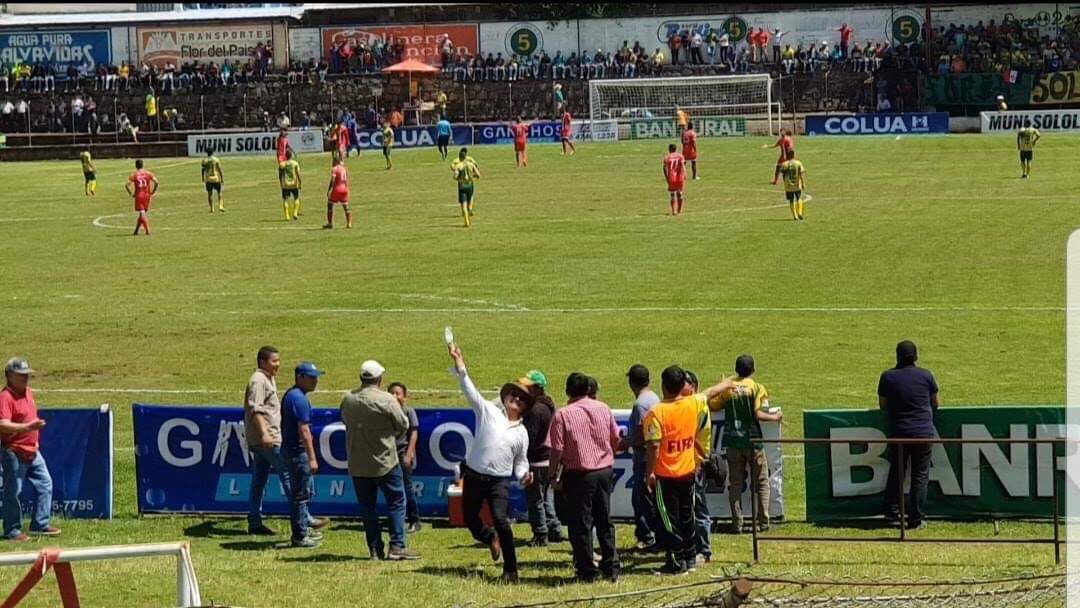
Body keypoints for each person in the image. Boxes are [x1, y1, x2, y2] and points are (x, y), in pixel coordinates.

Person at [446, 342, 533, 584]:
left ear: (525, 407)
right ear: (505, 398)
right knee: (471, 519)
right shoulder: (488, 412)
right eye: (513, 395)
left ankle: (511, 570)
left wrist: (524, 475)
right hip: (474, 475)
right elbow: (468, 388)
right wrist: (459, 361)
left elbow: (521, 462)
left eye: (521, 399)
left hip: (499, 481)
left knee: (501, 520)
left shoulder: (522, 432)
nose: (516, 399)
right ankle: (488, 537)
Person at [644, 366, 735, 575]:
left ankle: (676, 562)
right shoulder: (693, 403)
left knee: (669, 519)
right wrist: (726, 384)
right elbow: (709, 392)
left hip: (665, 475)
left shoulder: (656, 412)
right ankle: (690, 557)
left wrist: (649, 472)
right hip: (688, 472)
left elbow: (654, 446)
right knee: (687, 516)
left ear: (663, 386)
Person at [340, 360, 419, 560]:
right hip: (385, 460)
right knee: (396, 501)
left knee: (367, 507)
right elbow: (403, 424)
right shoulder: (386, 399)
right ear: (380, 379)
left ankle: (375, 549)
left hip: (358, 462)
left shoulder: (348, 398)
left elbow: (343, 418)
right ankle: (397, 546)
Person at [548, 372, 621, 583]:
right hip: (604, 470)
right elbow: (615, 438)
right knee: (604, 519)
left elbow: (556, 450)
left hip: (579, 474)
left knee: (581, 524)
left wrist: (553, 475)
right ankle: (611, 565)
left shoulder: (563, 415)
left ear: (568, 391)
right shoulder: (603, 408)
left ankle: (587, 569)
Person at [710, 355, 780, 533]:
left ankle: (737, 523)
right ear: (753, 370)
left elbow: (713, 406)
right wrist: (775, 417)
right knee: (762, 481)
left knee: (735, 483)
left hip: (733, 441)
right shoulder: (757, 387)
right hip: (753, 441)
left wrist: (720, 387)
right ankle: (763, 521)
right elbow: (758, 414)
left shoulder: (729, 389)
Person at [879, 341, 939, 530]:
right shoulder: (926, 375)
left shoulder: (887, 377)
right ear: (916, 357)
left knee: (897, 472)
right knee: (919, 476)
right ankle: (915, 519)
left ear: (897, 356)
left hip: (899, 433)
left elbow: (883, 405)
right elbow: (935, 403)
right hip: (923, 433)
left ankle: (891, 511)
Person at [0, 358, 60, 541]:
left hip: (32, 451)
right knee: (14, 491)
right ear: (10, 376)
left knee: (45, 484)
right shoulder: (5, 397)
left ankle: (40, 524)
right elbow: (2, 425)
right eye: (21, 375)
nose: (26, 378)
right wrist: (28, 428)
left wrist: (32, 434)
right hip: (14, 451)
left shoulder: (28, 392)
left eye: (27, 375)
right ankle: (12, 530)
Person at [243, 346, 291, 536]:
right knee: (288, 476)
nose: (278, 365)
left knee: (259, 480)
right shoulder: (258, 380)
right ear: (262, 362)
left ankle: (255, 521)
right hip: (268, 439)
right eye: (274, 361)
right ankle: (302, 521)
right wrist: (264, 433)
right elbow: (255, 409)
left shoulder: (267, 379)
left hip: (263, 439)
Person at [281, 361, 329, 548]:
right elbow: (304, 431)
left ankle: (303, 529)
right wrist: (312, 458)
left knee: (303, 492)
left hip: (293, 451)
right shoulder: (298, 399)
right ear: (299, 377)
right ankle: (300, 535)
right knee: (300, 495)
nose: (315, 381)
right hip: (297, 453)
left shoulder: (294, 396)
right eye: (311, 377)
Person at [521, 370, 564, 546]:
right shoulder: (548, 406)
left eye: (528, 386)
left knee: (535, 499)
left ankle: (540, 533)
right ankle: (554, 528)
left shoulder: (534, 410)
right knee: (546, 496)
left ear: (537, 388)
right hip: (548, 460)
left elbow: (529, 438)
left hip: (536, 461)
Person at [625, 364, 660, 551]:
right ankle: (651, 535)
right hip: (653, 456)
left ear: (631, 383)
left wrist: (624, 443)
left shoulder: (640, 404)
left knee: (641, 499)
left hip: (644, 458)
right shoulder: (654, 397)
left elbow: (640, 435)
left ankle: (647, 537)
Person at [683, 370, 711, 564]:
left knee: (698, 507)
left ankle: (704, 550)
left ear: (693, 387)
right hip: (687, 463)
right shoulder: (688, 405)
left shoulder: (697, 405)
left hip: (696, 462)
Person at [388, 382, 421, 533]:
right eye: (391, 393)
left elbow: (413, 433)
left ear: (404, 397)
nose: (395, 396)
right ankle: (396, 520)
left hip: (402, 455)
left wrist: (409, 453)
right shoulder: (385, 412)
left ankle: (414, 520)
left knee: (407, 487)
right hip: (388, 455)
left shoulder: (408, 412)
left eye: (398, 393)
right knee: (392, 489)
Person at [125, 159, 158, 236]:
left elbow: (126, 185)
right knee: (142, 214)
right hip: (147, 195)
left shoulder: (134, 175)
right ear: (143, 165)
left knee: (142, 213)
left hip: (139, 195)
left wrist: (131, 194)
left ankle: (147, 231)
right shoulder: (148, 173)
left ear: (136, 166)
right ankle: (136, 230)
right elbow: (156, 182)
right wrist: (153, 191)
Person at [450, 147, 480, 228]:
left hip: (462, 186)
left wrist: (459, 179)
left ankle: (466, 222)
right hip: (470, 184)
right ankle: (470, 209)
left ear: (459, 157)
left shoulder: (458, 165)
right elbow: (478, 174)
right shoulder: (471, 163)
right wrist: (472, 176)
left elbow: (455, 175)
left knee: (463, 205)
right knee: (471, 197)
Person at [324, 153, 351, 229]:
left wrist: (329, 190)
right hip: (344, 189)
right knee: (346, 206)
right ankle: (349, 223)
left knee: (330, 204)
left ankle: (330, 223)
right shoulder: (344, 168)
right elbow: (346, 179)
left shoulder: (335, 169)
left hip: (336, 189)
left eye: (333, 161)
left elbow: (332, 180)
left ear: (335, 161)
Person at [779, 149, 806, 221]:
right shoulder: (798, 163)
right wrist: (803, 183)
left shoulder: (785, 164)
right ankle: (800, 212)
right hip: (797, 184)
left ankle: (795, 216)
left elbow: (782, 173)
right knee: (799, 198)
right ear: (794, 155)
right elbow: (801, 174)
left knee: (791, 200)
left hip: (788, 186)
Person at [663, 143, 686, 216]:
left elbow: (664, 168)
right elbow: (683, 165)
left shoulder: (667, 157)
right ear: (675, 149)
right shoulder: (680, 156)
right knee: (680, 193)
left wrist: (667, 177)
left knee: (672, 194)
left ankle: (674, 211)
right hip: (679, 177)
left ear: (669, 149)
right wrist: (685, 173)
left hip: (671, 177)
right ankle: (679, 210)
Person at [280, 149, 303, 221]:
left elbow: (280, 175)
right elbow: (298, 174)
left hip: (285, 184)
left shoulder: (282, 164)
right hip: (294, 184)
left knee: (285, 200)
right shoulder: (295, 163)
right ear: (291, 156)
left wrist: (281, 184)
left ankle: (287, 216)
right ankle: (295, 213)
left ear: (285, 156)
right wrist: (300, 182)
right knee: (296, 198)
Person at [201, 149, 225, 213]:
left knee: (210, 194)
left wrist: (203, 179)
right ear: (212, 152)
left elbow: (203, 170)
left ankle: (212, 209)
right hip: (216, 178)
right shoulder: (216, 159)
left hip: (208, 179)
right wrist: (222, 178)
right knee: (219, 192)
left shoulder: (204, 160)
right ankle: (220, 206)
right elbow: (219, 169)